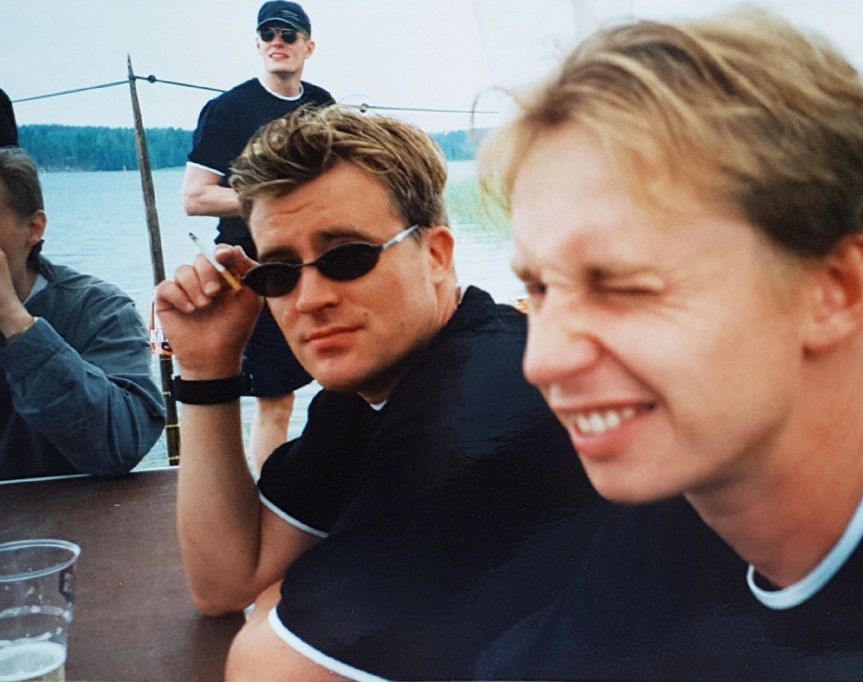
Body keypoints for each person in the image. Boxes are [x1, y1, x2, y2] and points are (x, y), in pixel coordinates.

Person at [476, 8, 863, 680]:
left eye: (624, 286)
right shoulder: (669, 514)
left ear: (835, 290)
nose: (543, 360)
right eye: (539, 289)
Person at [156, 105, 604, 680]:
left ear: (437, 256)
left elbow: (273, 667)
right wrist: (207, 367)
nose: (309, 299)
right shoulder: (369, 387)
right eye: (279, 272)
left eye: (348, 257)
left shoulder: (483, 395)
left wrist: (278, 603)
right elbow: (226, 581)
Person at [183, 0, 333, 469]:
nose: (277, 43)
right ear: (257, 44)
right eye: (268, 35)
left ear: (309, 47)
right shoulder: (228, 110)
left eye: (288, 35)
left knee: (343, 380)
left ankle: (330, 489)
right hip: (253, 268)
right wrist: (275, 198)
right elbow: (196, 197)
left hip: (316, 264)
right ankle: (266, 499)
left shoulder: (323, 106)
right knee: (276, 399)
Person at [0, 148, 166, 480]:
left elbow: (119, 447)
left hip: (60, 509)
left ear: (34, 227)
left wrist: (14, 319)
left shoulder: (99, 309)